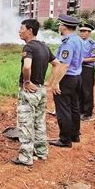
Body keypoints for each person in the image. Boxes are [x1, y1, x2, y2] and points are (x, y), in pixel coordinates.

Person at [11, 19, 60, 167]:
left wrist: (26, 81)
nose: (19, 31)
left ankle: (26, 157)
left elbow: (27, 67)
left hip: (29, 91)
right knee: (39, 122)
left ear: (30, 30)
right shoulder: (44, 46)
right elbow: (56, 64)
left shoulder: (29, 47)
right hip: (41, 90)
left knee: (26, 123)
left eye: (22, 28)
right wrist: (49, 82)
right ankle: (42, 152)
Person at [49, 14, 84, 148]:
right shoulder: (79, 40)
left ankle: (64, 140)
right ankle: (75, 135)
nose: (59, 26)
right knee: (74, 107)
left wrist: (56, 82)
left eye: (60, 24)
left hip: (67, 78)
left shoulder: (68, 43)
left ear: (64, 26)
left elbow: (64, 65)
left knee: (63, 109)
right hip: (77, 77)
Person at [78, 23, 95, 121]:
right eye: (81, 31)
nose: (82, 33)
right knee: (79, 90)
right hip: (78, 69)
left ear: (89, 32)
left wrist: (81, 60)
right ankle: (80, 111)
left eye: (84, 31)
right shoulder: (78, 42)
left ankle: (88, 113)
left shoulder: (93, 44)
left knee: (87, 91)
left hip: (87, 69)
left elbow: (94, 59)